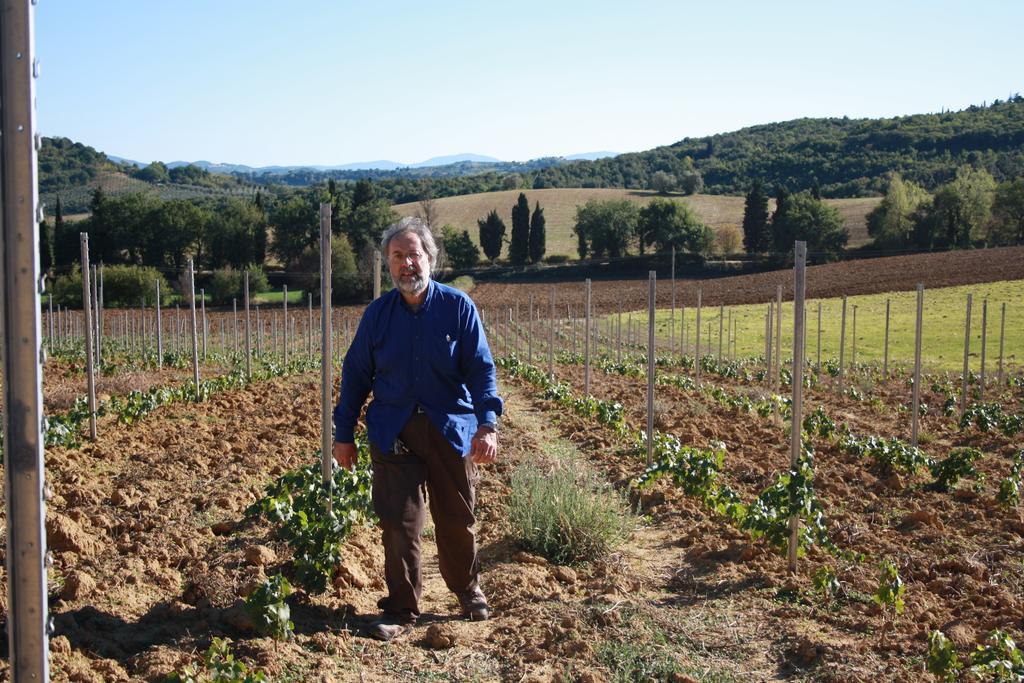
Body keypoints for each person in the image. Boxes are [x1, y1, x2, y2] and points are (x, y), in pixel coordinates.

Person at [333, 216, 503, 641]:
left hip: (450, 429)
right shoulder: (377, 315)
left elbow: (481, 369)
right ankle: (402, 608)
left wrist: (487, 424)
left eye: (414, 254)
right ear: (387, 264)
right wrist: (343, 435)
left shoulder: (458, 307)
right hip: (394, 432)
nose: (407, 263)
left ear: (431, 258)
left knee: (456, 518)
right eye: (397, 256)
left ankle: (467, 591)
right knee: (399, 523)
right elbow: (355, 375)